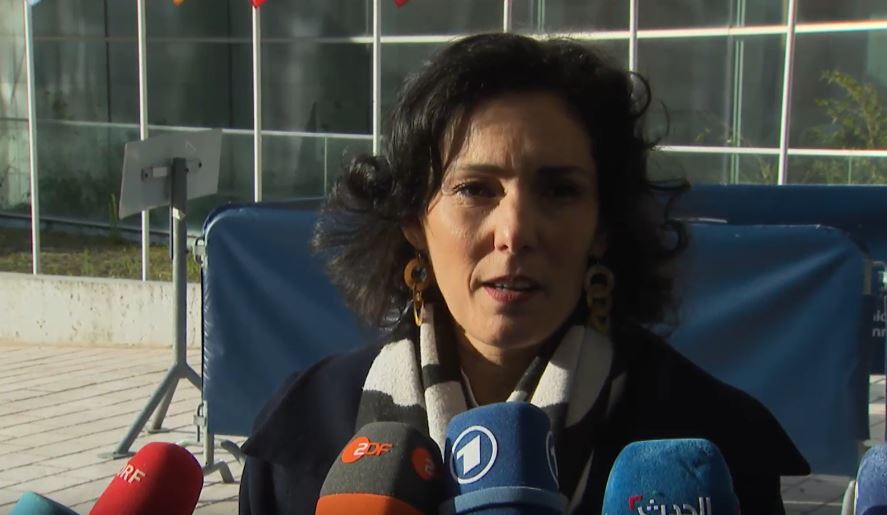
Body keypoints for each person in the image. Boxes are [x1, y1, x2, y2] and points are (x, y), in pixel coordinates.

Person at [238, 33, 809, 514]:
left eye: (559, 191)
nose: (514, 231)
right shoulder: (305, 434)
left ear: (603, 226)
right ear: (414, 219)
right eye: (475, 189)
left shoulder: (714, 445)